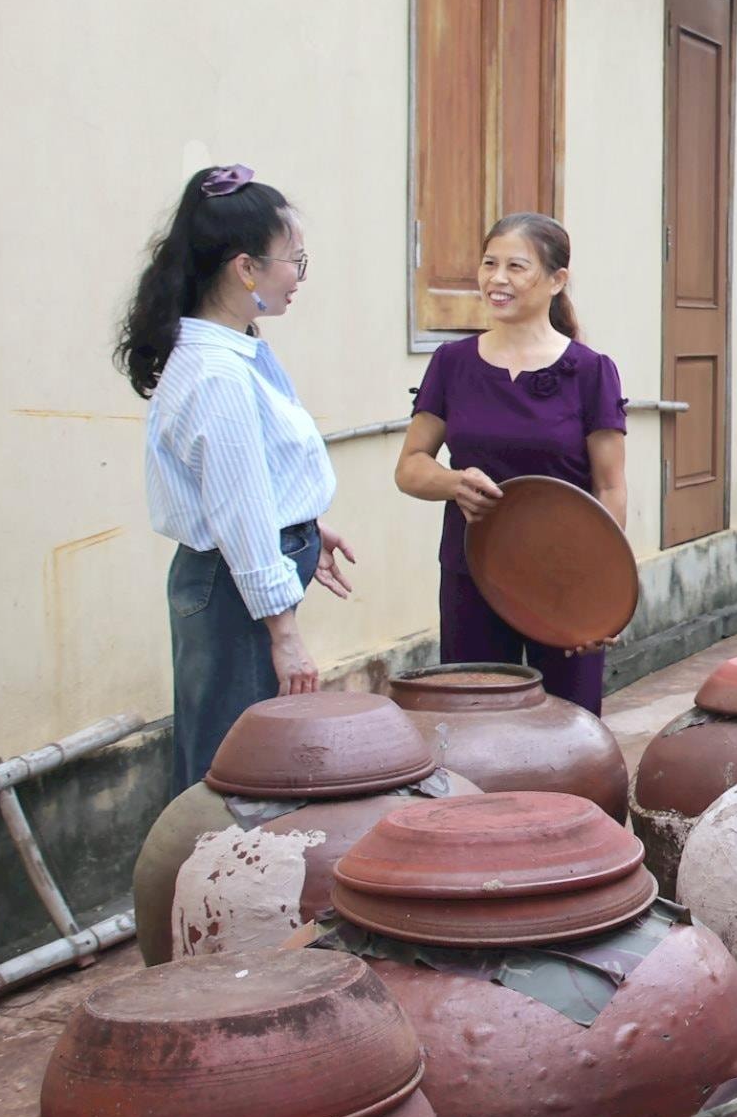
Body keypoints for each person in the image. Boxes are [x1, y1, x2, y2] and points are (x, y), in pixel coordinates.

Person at [118, 164, 358, 791]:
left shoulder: (234, 348)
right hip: (236, 589)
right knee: (232, 774)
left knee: (239, 758)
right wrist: (286, 633)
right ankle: (209, 888)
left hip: (245, 573)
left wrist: (304, 527)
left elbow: (249, 482)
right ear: (245, 268)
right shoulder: (216, 372)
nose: (298, 279)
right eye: (293, 262)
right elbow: (238, 512)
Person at [394, 213, 628, 713]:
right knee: (475, 721)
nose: (496, 279)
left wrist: (599, 593)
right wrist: (454, 483)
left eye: (516, 267)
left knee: (571, 725)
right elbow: (411, 465)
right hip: (471, 570)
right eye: (488, 263)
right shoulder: (452, 363)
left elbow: (610, 488)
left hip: (563, 577)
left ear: (556, 280)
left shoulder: (590, 372)